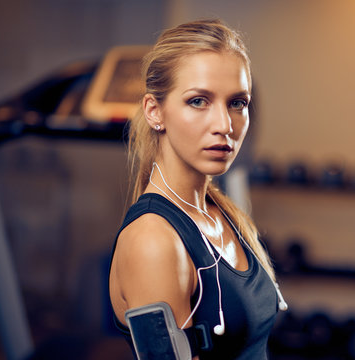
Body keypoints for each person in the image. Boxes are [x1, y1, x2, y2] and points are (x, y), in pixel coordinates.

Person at [108, 19, 286, 359]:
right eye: (198, 101)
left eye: (237, 103)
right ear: (154, 111)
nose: (224, 126)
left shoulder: (222, 213)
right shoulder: (154, 241)